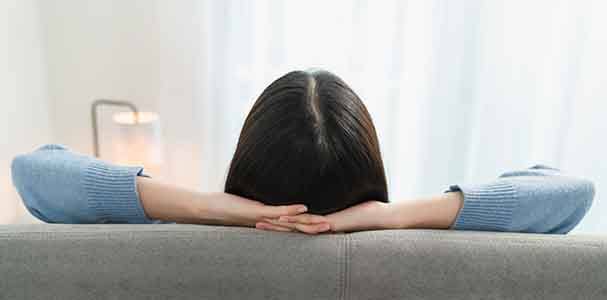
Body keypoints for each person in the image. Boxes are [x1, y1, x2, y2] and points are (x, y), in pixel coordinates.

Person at [11, 70, 595, 234]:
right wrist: (395, 215)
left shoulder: (193, 248)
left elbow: (34, 173)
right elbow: (571, 192)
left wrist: (214, 207)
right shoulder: (407, 250)